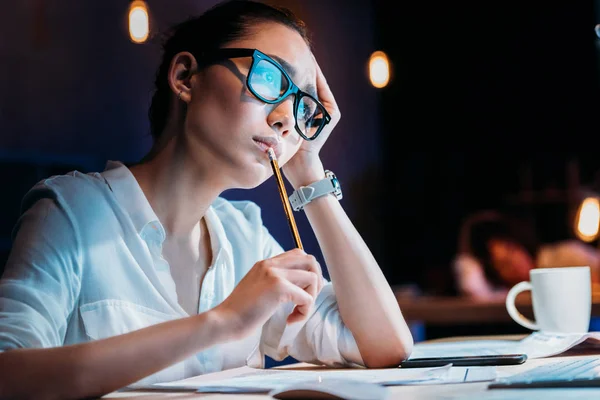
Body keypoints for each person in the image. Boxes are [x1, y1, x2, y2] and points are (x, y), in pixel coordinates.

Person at [0, 1, 413, 398]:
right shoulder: (72, 212)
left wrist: (308, 169)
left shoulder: (244, 235)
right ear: (185, 77)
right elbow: (8, 376)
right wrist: (222, 322)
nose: (286, 119)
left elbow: (384, 346)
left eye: (303, 108)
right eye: (270, 79)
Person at [453, 210, 600, 300]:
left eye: (511, 250)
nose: (513, 264)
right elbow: (474, 289)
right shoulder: (512, 295)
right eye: (502, 265)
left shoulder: (565, 255)